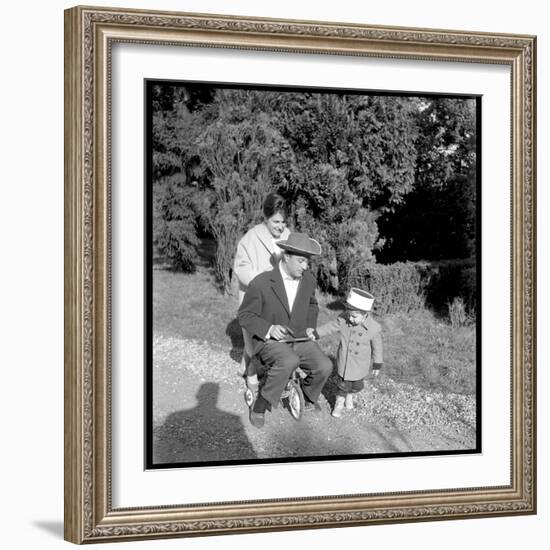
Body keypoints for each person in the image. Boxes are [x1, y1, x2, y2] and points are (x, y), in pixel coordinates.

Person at [238, 232, 332, 428]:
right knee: (289, 360)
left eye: (307, 262)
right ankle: (260, 405)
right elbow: (245, 316)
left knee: (324, 365)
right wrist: (269, 329)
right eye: (300, 261)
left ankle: (305, 397)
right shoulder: (261, 283)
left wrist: (309, 326)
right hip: (269, 342)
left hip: (298, 338)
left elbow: (313, 304)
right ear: (286, 257)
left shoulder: (308, 280)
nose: (305, 267)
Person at [233, 193, 291, 391]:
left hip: (277, 298)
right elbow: (241, 267)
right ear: (265, 218)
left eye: (283, 222)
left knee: (272, 335)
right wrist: (261, 282)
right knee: (252, 335)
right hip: (254, 297)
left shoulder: (288, 236)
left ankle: (252, 364)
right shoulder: (251, 238)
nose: (280, 226)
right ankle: (250, 371)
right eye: (275, 221)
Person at [316, 288, 383, 418]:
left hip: (360, 364)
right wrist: (316, 333)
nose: (351, 319)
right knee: (343, 386)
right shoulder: (344, 320)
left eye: (355, 316)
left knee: (357, 385)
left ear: (365, 314)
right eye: (349, 315)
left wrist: (377, 363)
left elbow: (377, 347)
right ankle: (339, 405)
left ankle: (350, 396)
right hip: (345, 362)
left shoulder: (373, 328)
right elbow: (330, 327)